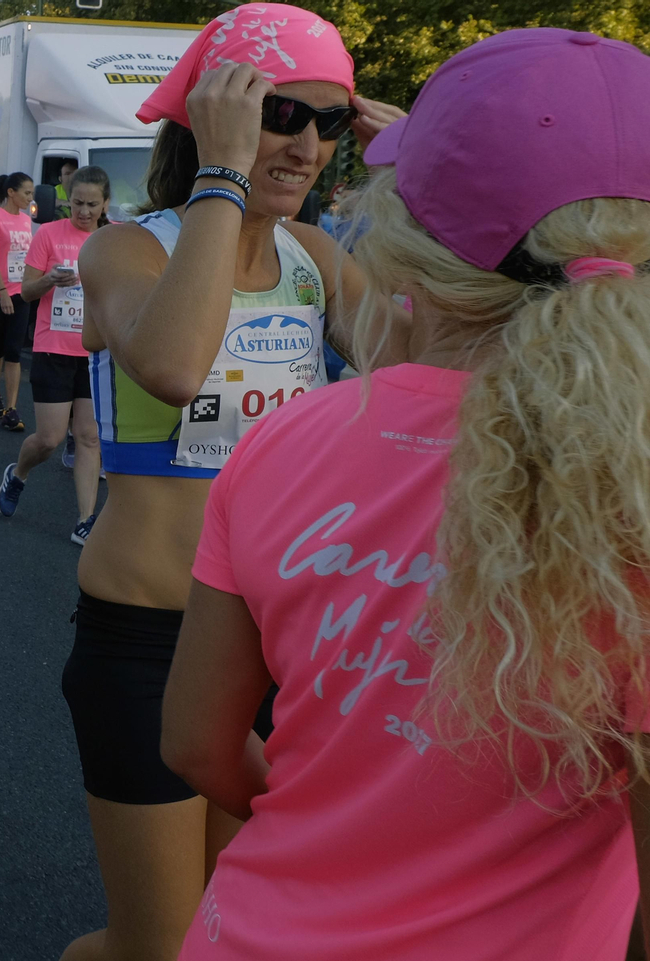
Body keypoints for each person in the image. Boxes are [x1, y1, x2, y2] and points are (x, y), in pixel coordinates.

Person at [162, 27, 650, 961]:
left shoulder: (284, 441)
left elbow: (194, 742)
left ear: (408, 238)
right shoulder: (634, 488)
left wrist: (340, 844)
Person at [58, 6, 404, 958]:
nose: (305, 146)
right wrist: (223, 175)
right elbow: (174, 366)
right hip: (149, 642)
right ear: (215, 116)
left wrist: (424, 179)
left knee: (239, 932)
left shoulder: (316, 260)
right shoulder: (126, 249)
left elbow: (436, 366)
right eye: (277, 114)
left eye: (328, 124)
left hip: (279, 642)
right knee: (158, 944)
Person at [0, 165, 107, 542]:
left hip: (94, 353)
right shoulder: (48, 234)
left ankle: (85, 520)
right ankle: (18, 474)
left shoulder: (112, 240)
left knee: (89, 437)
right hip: (53, 349)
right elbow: (26, 292)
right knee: (49, 439)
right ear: (67, 200)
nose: (84, 212)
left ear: (105, 204)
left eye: (92, 204)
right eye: (77, 203)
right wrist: (49, 280)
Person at [0, 172, 35, 424]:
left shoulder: (26, 221)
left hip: (20, 293)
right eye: (27, 193)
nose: (30, 198)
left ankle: (11, 409)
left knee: (14, 351)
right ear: (11, 193)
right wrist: (2, 292)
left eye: (32, 193)